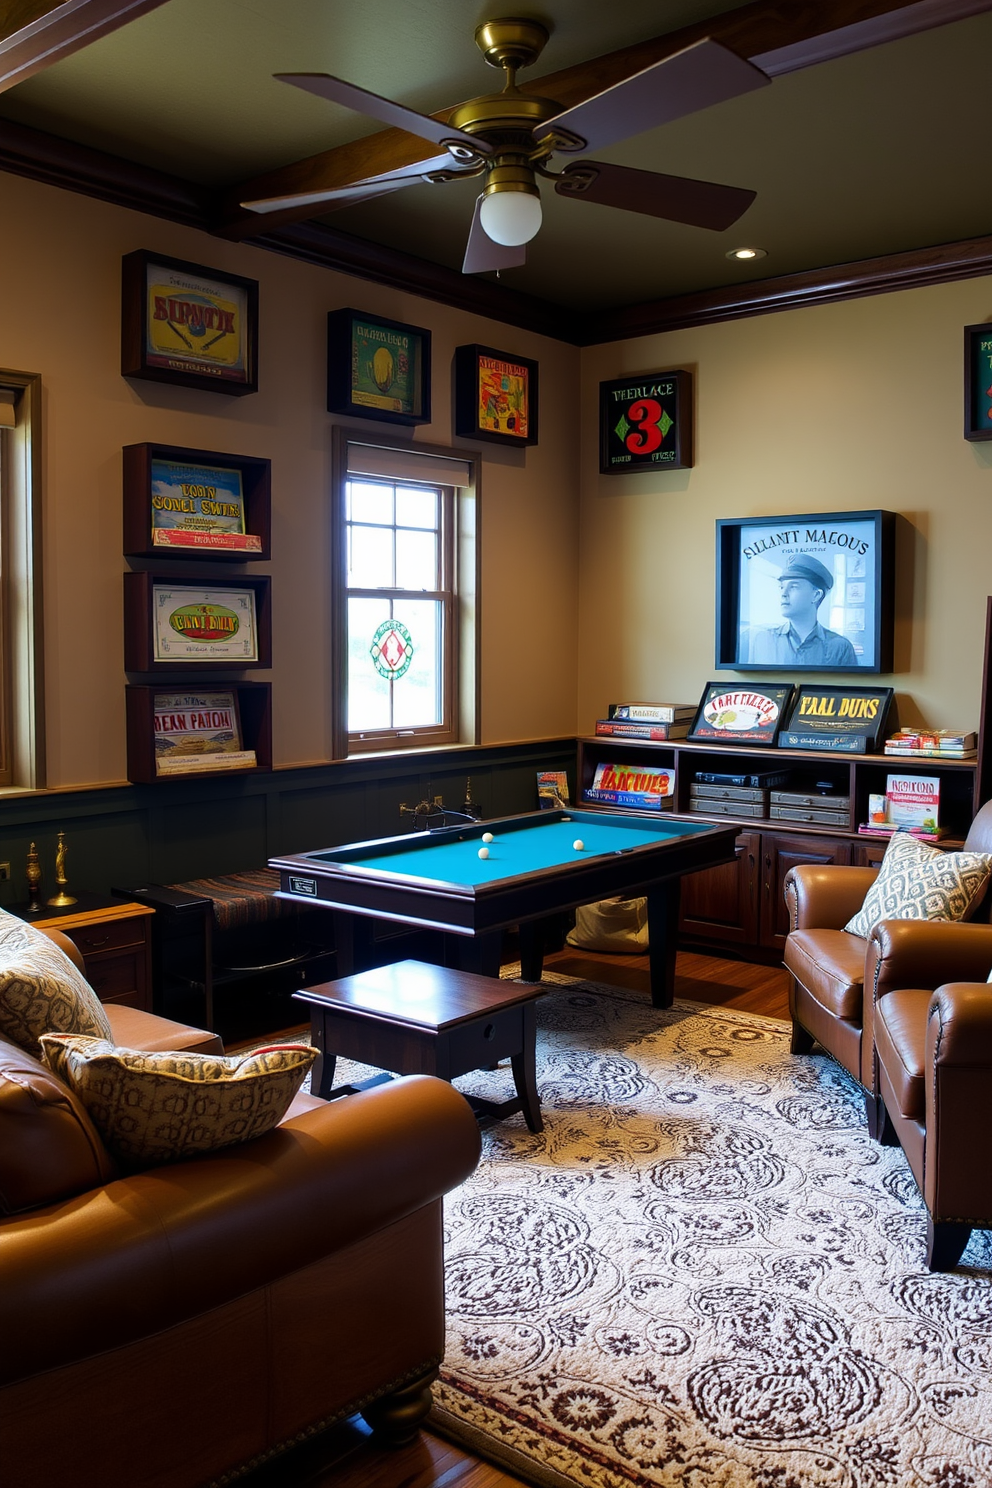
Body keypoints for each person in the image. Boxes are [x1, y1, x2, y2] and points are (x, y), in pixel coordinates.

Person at [741, 556, 858, 666]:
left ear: (816, 595)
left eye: (794, 587)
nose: (784, 594)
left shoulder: (840, 647)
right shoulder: (760, 639)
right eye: (782, 587)